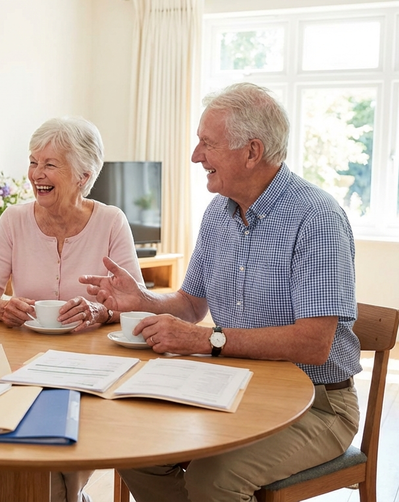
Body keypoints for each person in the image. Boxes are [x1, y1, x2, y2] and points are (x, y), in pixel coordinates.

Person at [80, 82, 361, 501]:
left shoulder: (316, 218)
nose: (196, 156)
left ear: (251, 151)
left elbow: (315, 344)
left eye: (207, 144)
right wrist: (142, 301)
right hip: (236, 386)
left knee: (214, 479)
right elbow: (191, 304)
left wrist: (207, 340)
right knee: (136, 450)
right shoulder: (218, 212)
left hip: (319, 405)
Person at [0, 116, 143, 502]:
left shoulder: (112, 222)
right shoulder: (14, 220)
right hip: (24, 364)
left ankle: (71, 492)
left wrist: (101, 311)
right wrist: (2, 307)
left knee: (69, 445)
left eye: (50, 164)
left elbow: (137, 303)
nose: (37, 174)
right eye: (34, 162)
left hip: (92, 365)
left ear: (84, 175)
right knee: (43, 458)